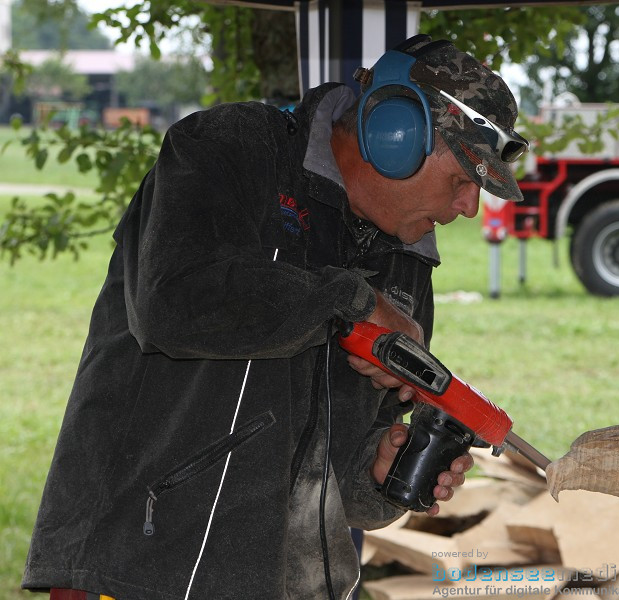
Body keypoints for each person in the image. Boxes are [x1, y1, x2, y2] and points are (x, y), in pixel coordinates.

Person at [22, 34, 528, 600]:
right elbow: (175, 303)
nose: (467, 208)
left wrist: (382, 474)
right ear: (394, 135)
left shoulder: (405, 262)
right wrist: (350, 304)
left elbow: (350, 483)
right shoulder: (233, 150)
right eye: (463, 179)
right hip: (140, 567)